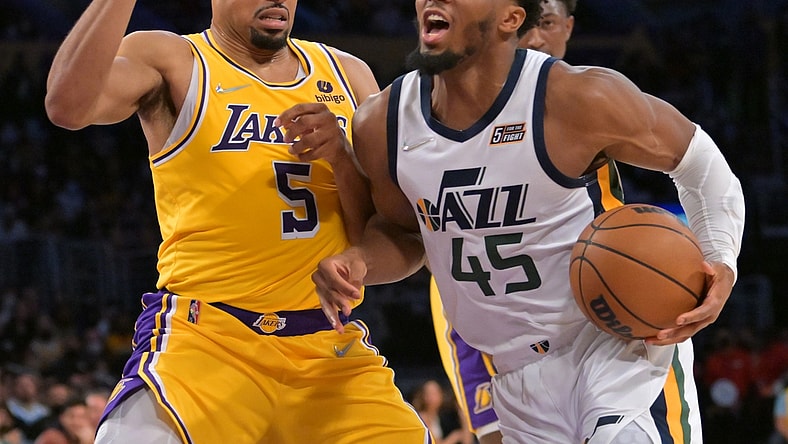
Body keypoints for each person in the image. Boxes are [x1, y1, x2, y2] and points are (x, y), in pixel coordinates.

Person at [313, 0, 745, 442]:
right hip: (514, 378)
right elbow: (405, 235)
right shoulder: (381, 124)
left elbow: (700, 164)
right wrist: (360, 260)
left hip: (617, 350)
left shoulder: (576, 98)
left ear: (510, 19)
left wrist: (720, 259)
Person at [45, 0, 431, 443]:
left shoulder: (348, 74)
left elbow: (397, 237)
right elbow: (68, 107)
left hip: (327, 348)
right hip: (206, 341)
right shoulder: (173, 58)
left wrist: (342, 160)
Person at [428, 2, 615, 443]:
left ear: (568, 29)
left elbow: (692, 162)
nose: (532, 39)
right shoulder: (449, 112)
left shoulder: (594, 99)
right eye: (524, 25)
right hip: (491, 318)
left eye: (545, 24)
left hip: (601, 328)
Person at [411, 379, 473, 444]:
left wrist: (464, 419)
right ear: (423, 396)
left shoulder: (445, 416)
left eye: (435, 393)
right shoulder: (423, 417)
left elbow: (467, 441)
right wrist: (454, 437)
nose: (432, 397)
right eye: (429, 393)